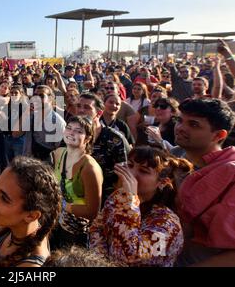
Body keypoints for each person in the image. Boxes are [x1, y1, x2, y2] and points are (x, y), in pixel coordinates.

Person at [90, 146, 193, 267]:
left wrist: (130, 203)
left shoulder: (168, 224)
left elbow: (130, 257)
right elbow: (97, 228)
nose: (131, 173)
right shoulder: (119, 197)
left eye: (144, 171)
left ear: (162, 182)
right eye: (130, 165)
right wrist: (101, 261)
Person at [174, 98, 235, 266]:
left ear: (219, 135)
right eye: (180, 120)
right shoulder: (175, 159)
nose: (180, 128)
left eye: (193, 125)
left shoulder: (230, 174)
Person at [49, 116, 103, 250]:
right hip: (55, 224)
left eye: (79, 131)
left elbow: (92, 212)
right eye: (69, 128)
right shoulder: (59, 154)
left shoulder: (90, 168)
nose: (71, 133)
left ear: (88, 138)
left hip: (77, 233)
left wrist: (62, 205)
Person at [76, 93, 130, 203]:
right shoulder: (71, 134)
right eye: (78, 106)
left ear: (99, 113)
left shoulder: (115, 139)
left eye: (87, 107)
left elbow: (123, 176)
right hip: (76, 199)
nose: (81, 110)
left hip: (105, 200)